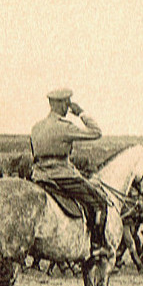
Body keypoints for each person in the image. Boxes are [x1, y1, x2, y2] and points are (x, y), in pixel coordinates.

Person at [30, 88, 108, 257]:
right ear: (58, 104)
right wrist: (81, 113)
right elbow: (96, 132)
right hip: (61, 176)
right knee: (100, 202)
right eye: (66, 103)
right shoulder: (64, 127)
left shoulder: (36, 127)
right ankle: (97, 244)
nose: (68, 106)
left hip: (39, 176)